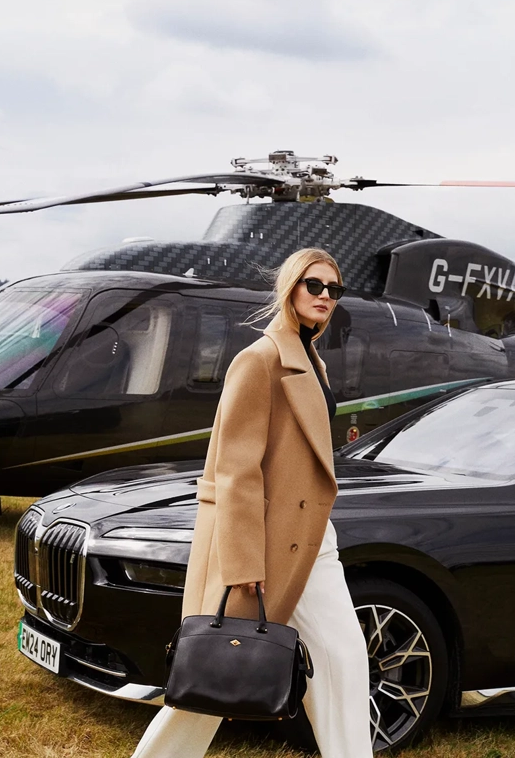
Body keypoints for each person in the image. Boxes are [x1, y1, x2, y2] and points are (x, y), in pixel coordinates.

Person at [131, 248, 373, 758]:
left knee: (346, 661)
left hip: (311, 539)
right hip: (264, 543)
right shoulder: (260, 360)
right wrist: (243, 560)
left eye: (334, 289)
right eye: (314, 285)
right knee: (212, 673)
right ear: (290, 288)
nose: (325, 296)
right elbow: (235, 468)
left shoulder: (312, 360)